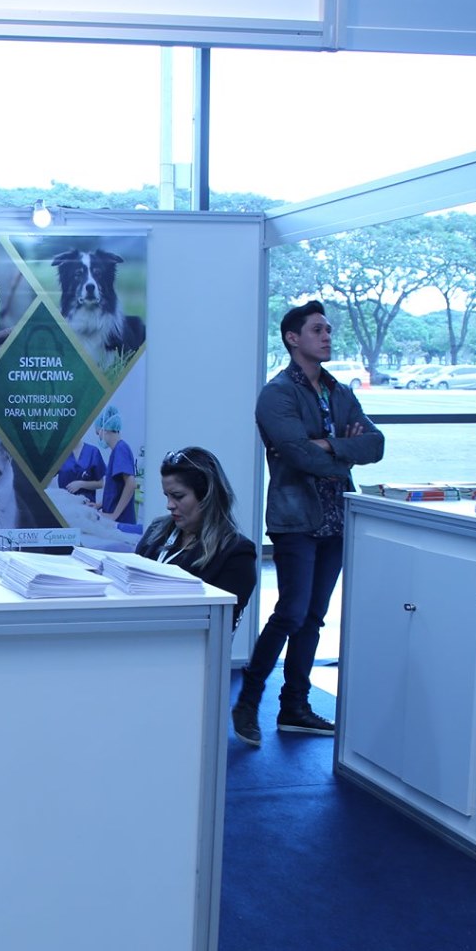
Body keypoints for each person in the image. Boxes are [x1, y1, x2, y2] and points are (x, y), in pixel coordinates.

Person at [232, 300, 384, 746]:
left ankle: (294, 706)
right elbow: (296, 454)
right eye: (318, 329)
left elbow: (376, 444)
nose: (327, 336)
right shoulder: (277, 394)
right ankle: (248, 701)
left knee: (315, 617)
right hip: (295, 518)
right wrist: (341, 450)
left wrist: (327, 445)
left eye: (329, 329)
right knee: (291, 612)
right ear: (292, 338)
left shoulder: (337, 391)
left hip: (336, 519)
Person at [134, 447, 257, 623]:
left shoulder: (236, 552)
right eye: (167, 496)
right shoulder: (157, 530)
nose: (169, 505)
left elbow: (220, 625)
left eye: (178, 496)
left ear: (207, 495)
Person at [86, 406, 138, 526]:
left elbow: (131, 484)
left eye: (98, 433)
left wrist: (114, 515)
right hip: (115, 518)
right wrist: (99, 505)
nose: (99, 438)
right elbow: (115, 490)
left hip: (121, 522)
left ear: (105, 430)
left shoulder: (121, 449)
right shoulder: (117, 451)